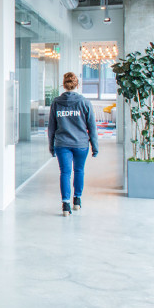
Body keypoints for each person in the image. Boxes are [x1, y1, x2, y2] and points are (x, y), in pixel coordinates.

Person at [48, 71, 98, 216]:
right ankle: (77, 200)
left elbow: (51, 127)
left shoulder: (56, 103)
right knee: (79, 171)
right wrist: (95, 146)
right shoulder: (85, 103)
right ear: (78, 84)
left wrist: (51, 146)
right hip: (81, 144)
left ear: (64, 85)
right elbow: (92, 127)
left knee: (65, 172)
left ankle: (65, 205)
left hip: (62, 143)